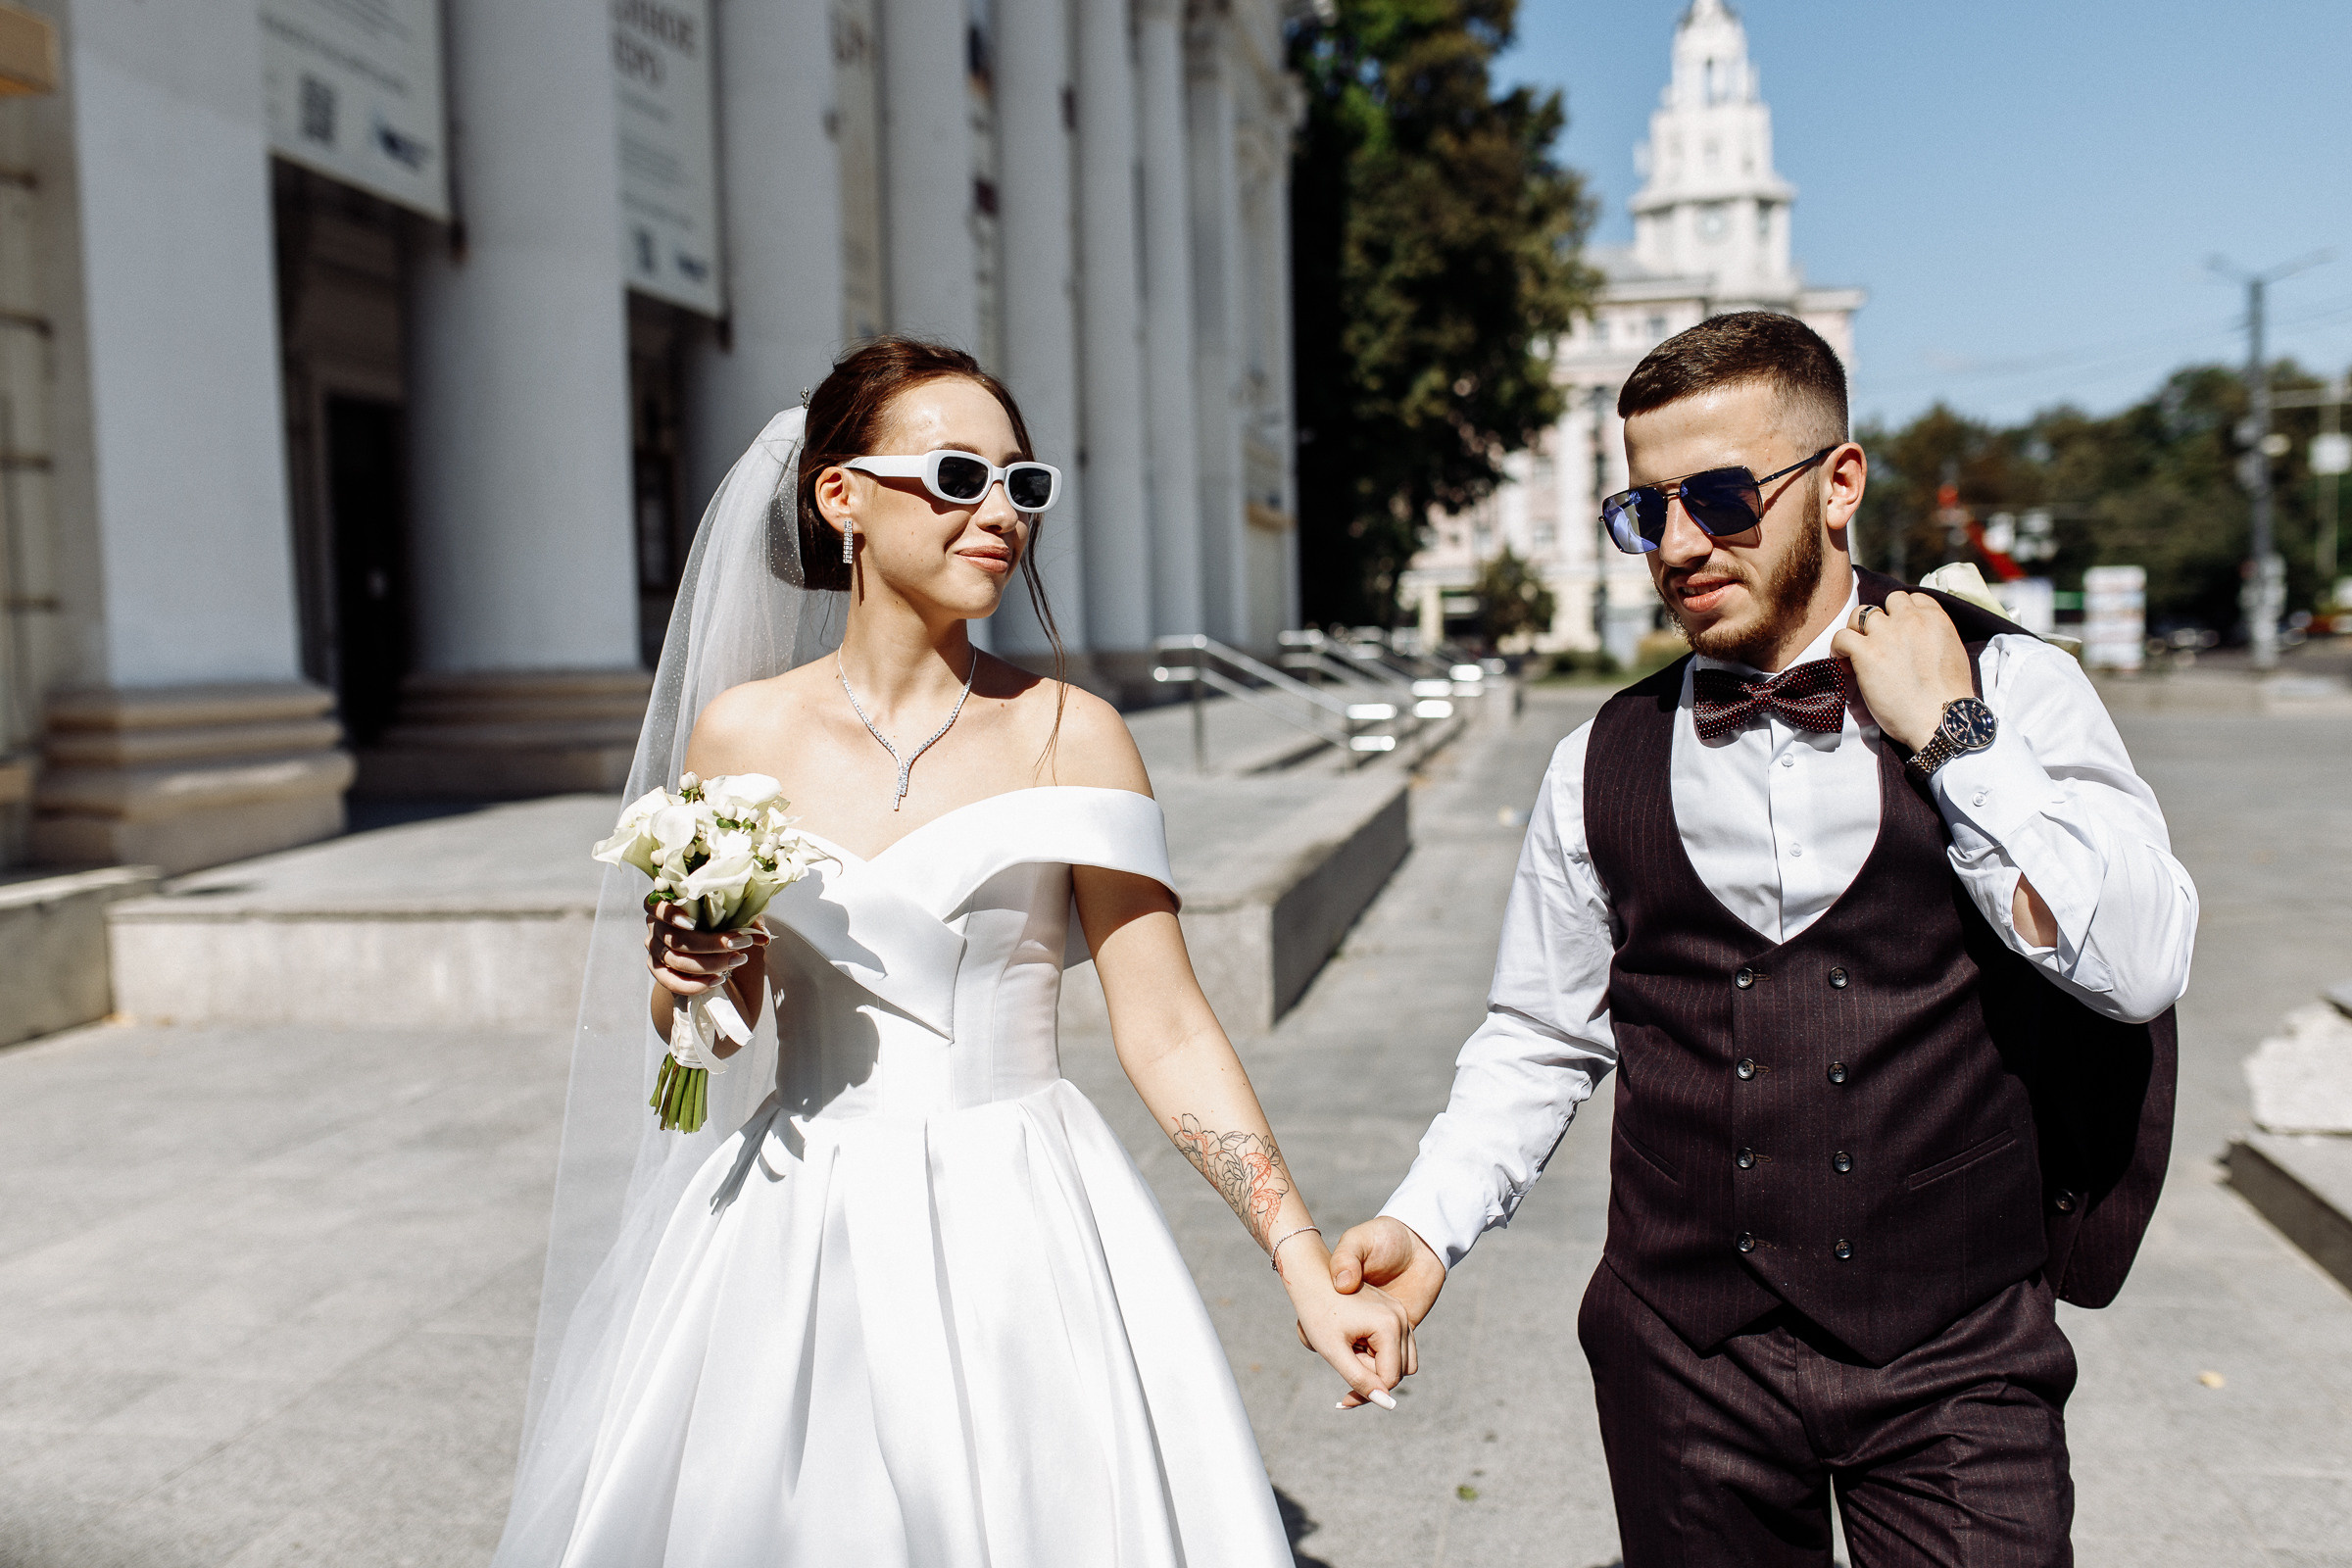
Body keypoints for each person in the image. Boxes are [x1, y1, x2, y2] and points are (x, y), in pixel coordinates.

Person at [493, 336, 1411, 1566]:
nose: (1000, 513)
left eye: (1023, 485)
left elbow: (1169, 1023)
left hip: (1016, 1212)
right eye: (958, 475)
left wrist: (1299, 1257)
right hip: (792, 1217)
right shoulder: (740, 730)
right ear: (842, 496)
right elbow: (715, 1033)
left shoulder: (1075, 734)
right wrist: (684, 985)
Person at [1329, 312, 2195, 1566]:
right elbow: (1538, 1034)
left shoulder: (2014, 695)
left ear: (1838, 483)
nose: (1679, 545)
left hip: (1957, 1361)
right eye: (1646, 511)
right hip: (1685, 1359)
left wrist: (1952, 737)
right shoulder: (1599, 759)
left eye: (1723, 497)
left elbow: (2140, 965)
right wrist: (1425, 1226)